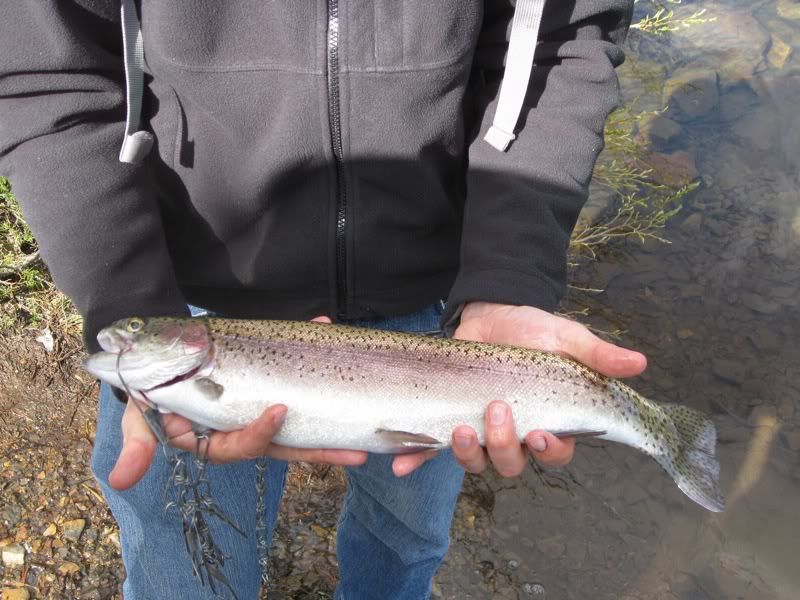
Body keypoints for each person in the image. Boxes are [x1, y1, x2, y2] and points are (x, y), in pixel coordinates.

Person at [0, 1, 644, 598]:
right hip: (193, 289)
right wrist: (125, 293)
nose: (122, 343)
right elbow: (51, 73)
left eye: (132, 337)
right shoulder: (170, 348)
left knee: (408, 539)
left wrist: (509, 276)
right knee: (187, 570)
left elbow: (559, 36)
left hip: (444, 316)